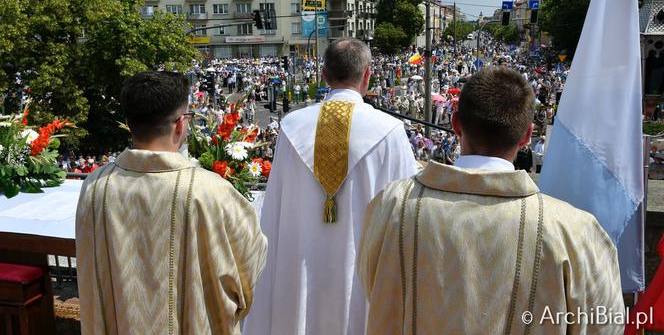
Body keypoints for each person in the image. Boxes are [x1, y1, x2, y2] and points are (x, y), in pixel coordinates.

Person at [358, 67, 624, 334]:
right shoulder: (575, 232)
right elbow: (605, 325)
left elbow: (372, 286)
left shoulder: (392, 206)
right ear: (527, 136)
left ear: (455, 124)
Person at [244, 39, 418, 335]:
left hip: (299, 264)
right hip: (362, 272)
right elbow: (407, 215)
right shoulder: (389, 131)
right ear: (368, 75)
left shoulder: (292, 126)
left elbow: (274, 210)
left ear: (324, 76)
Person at [76, 71, 267, 335]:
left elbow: (89, 269)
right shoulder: (210, 191)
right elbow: (250, 264)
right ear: (180, 124)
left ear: (129, 124)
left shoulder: (95, 186)